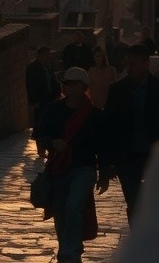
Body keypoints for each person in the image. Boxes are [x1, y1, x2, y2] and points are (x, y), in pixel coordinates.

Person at [33, 67, 109, 263]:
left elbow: (103, 146)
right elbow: (40, 135)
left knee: (73, 205)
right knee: (60, 211)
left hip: (84, 167)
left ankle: (70, 252)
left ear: (82, 87)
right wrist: (52, 143)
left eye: (72, 83)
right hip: (59, 168)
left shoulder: (94, 115)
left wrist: (104, 173)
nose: (67, 87)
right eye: (65, 83)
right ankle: (68, 246)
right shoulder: (54, 109)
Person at [101, 42, 159, 222]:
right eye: (127, 63)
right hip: (127, 158)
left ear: (146, 63)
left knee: (156, 201)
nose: (129, 67)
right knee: (133, 201)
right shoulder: (117, 90)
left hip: (154, 157)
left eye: (134, 63)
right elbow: (108, 128)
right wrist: (105, 165)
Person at [25, 45, 61, 155]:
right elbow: (30, 85)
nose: (48, 56)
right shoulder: (32, 67)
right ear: (40, 54)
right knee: (40, 125)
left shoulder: (48, 66)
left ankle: (49, 146)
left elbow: (53, 80)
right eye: (46, 54)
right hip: (40, 101)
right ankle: (41, 149)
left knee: (50, 124)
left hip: (50, 100)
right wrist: (33, 101)